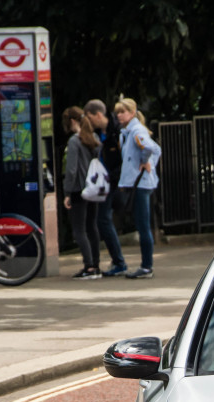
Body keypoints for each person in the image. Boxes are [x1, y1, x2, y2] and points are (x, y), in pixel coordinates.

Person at [115, 97, 161, 279]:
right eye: (118, 112)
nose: (119, 115)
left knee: (143, 225)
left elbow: (150, 147)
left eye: (122, 111)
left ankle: (146, 266)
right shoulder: (128, 131)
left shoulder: (136, 131)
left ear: (132, 113)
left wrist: (145, 161)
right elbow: (155, 148)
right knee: (142, 224)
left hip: (140, 183)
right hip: (137, 183)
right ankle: (145, 265)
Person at [84, 99, 128, 276]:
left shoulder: (116, 132)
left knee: (103, 219)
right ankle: (118, 261)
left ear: (98, 115)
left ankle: (119, 262)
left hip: (114, 182)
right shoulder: (99, 133)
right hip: (105, 182)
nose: (88, 121)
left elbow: (123, 158)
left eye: (89, 117)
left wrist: (113, 179)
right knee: (103, 219)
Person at [62, 106, 101, 279]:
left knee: (79, 229)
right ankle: (96, 264)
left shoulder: (74, 141)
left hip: (79, 188)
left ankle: (88, 266)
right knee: (92, 226)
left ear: (72, 121)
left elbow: (71, 170)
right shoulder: (94, 138)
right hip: (94, 188)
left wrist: (67, 192)